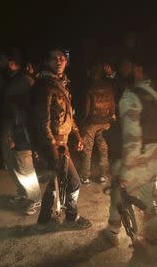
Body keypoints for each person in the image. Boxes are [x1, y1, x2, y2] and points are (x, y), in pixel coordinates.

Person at [104, 54, 157, 247]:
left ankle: (113, 231)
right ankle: (152, 233)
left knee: (118, 195)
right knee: (148, 198)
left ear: (138, 69)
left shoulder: (130, 97)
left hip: (133, 160)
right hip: (154, 157)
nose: (125, 69)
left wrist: (126, 173)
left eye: (129, 66)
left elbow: (132, 139)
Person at [29, 48, 91, 228]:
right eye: (54, 58)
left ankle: (44, 218)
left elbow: (68, 116)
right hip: (53, 144)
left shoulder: (60, 84)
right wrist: (52, 149)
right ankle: (72, 216)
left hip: (61, 142)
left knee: (54, 179)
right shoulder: (44, 86)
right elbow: (42, 123)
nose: (59, 61)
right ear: (47, 62)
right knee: (73, 181)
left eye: (62, 58)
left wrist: (77, 135)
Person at [0, 52, 41, 215]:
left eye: (1, 60)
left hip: (20, 133)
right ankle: (24, 193)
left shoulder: (23, 81)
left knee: (25, 167)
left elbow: (20, 112)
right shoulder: (11, 80)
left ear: (12, 62)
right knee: (13, 165)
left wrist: (13, 134)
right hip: (11, 131)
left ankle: (35, 198)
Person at [79, 62, 116, 184]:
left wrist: (82, 123)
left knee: (87, 150)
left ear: (91, 73)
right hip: (106, 123)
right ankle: (103, 175)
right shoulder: (109, 87)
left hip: (91, 123)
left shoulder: (89, 88)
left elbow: (87, 110)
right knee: (103, 149)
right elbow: (113, 107)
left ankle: (85, 176)